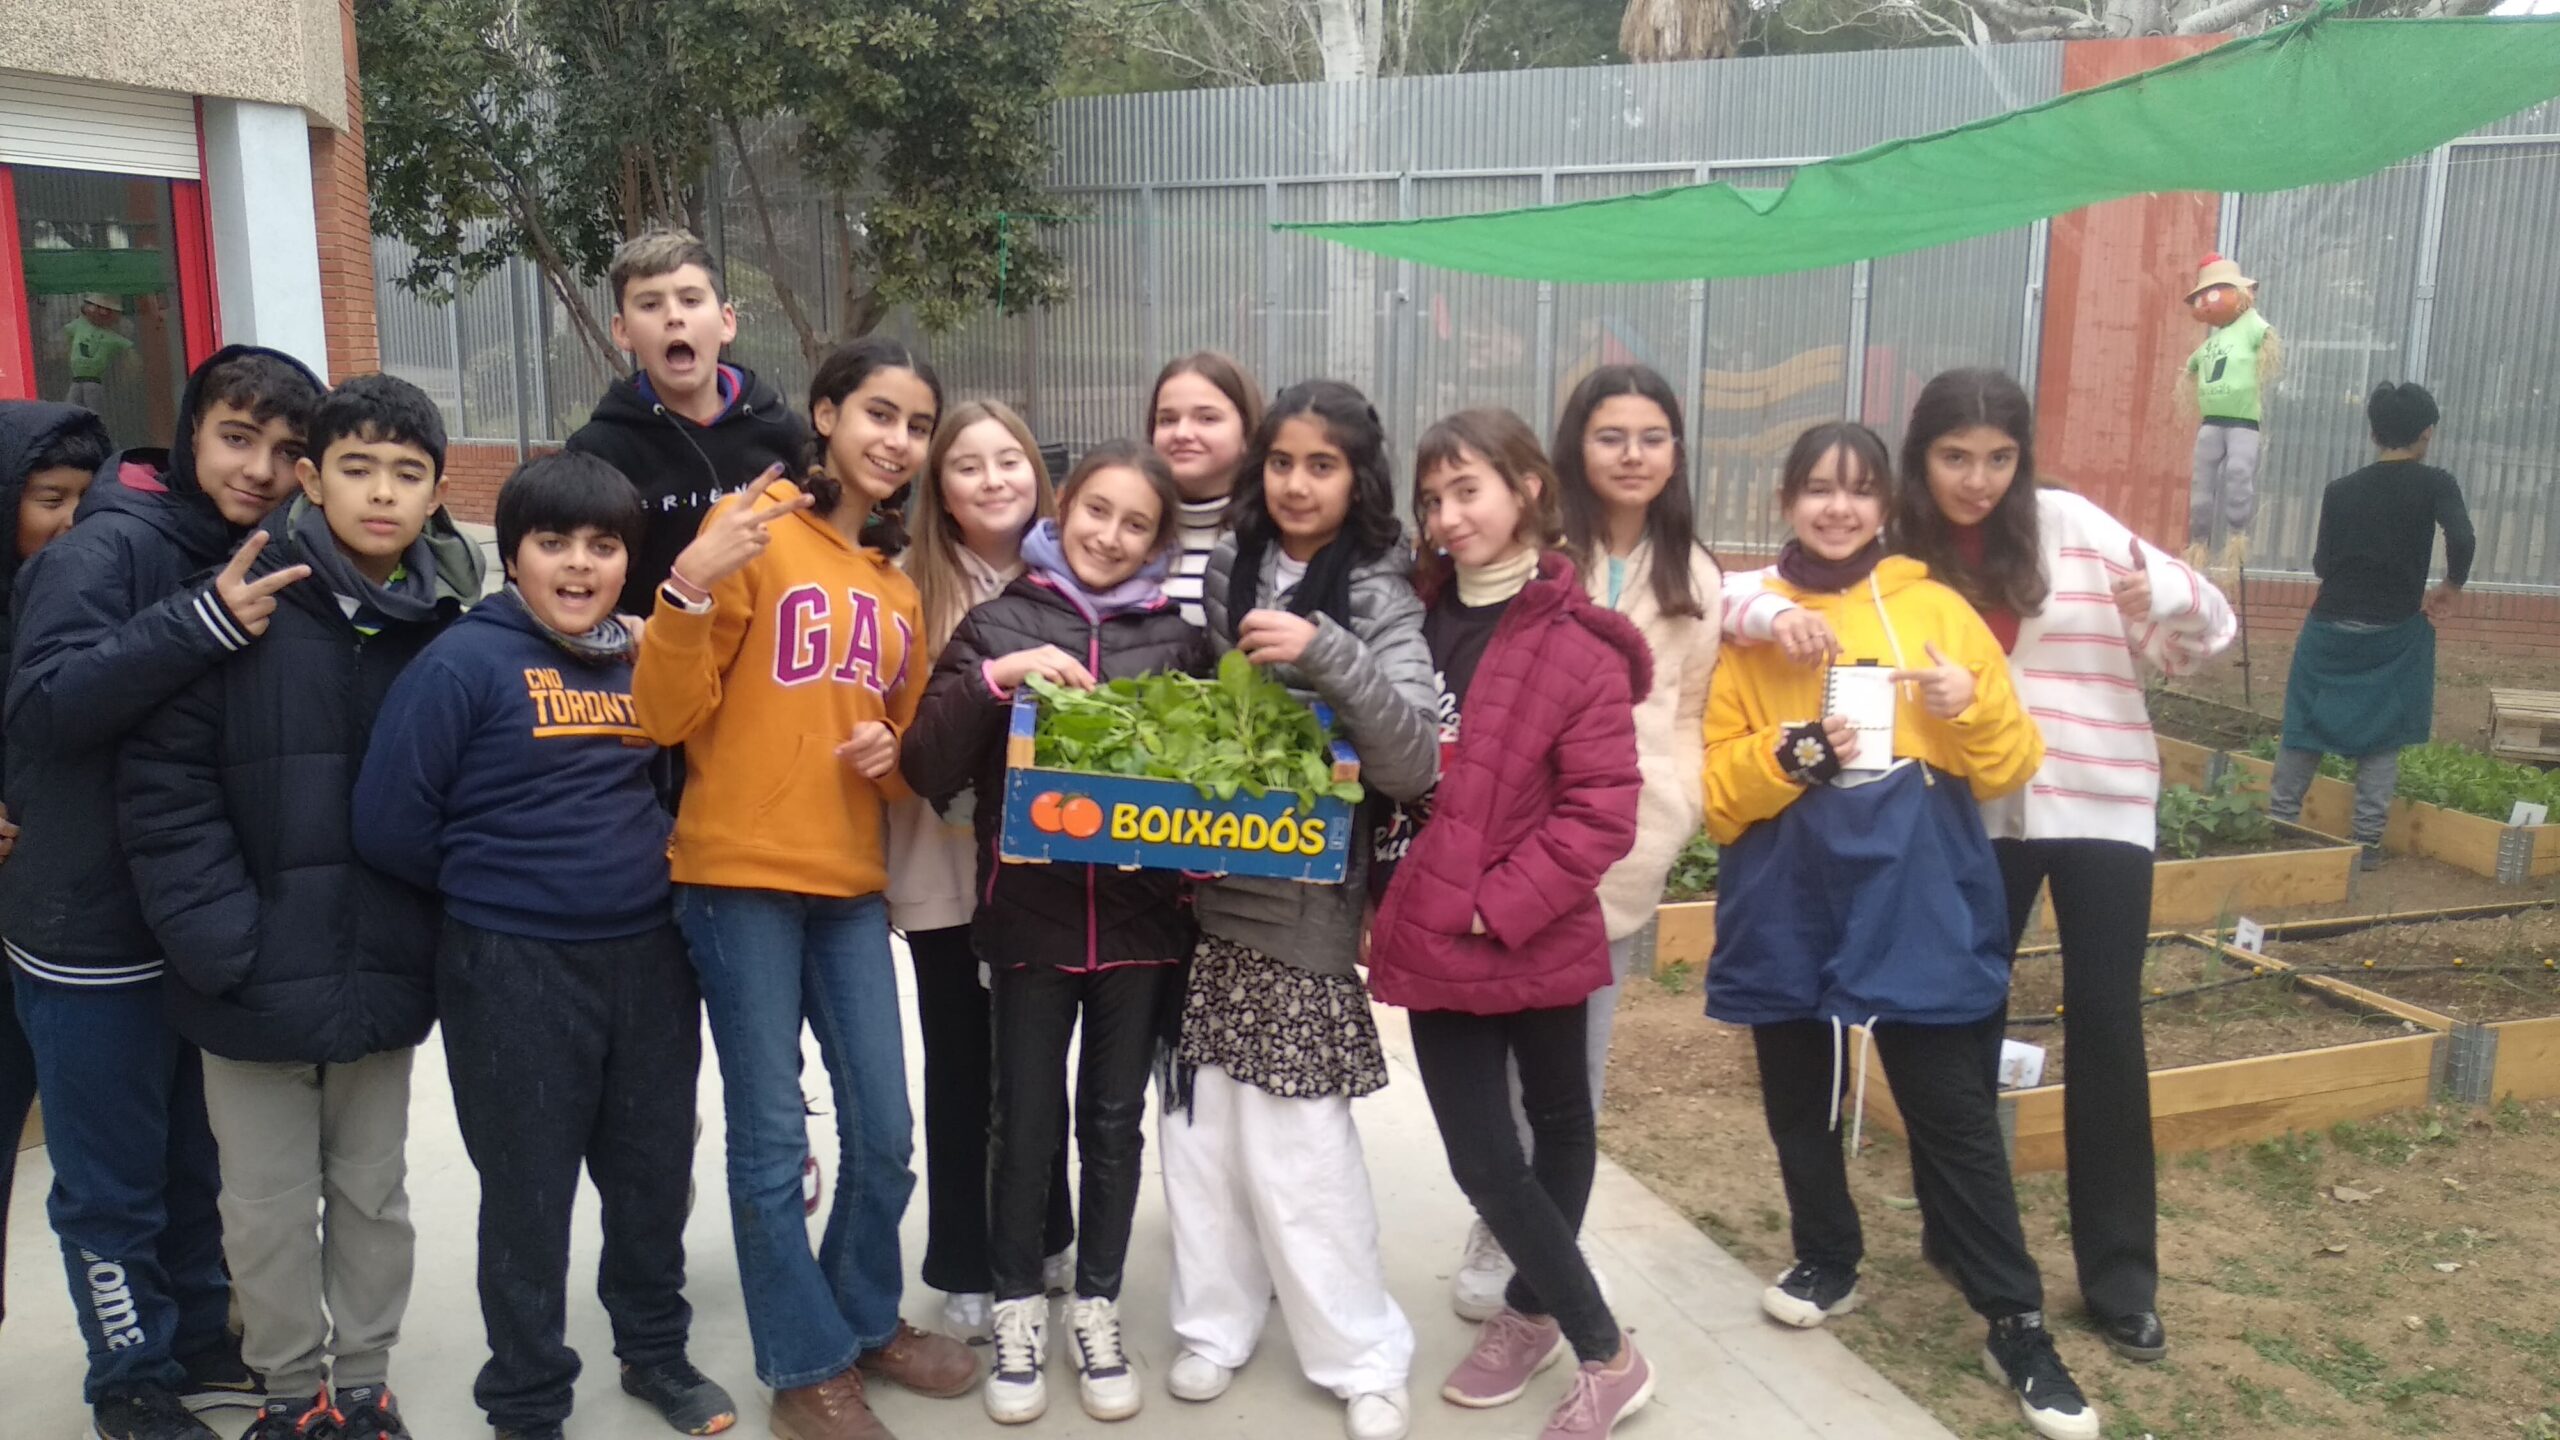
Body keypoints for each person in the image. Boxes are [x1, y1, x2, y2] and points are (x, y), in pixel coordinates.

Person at [1730, 369, 2235, 1363]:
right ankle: (1960, 1240)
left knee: (2106, 1024)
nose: (1978, 479)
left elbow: (2196, 638)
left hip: (2098, 802)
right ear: (1918, 460)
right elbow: (1748, 587)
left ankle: (2120, 1276)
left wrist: (2168, 592)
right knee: (1955, 1031)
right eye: (1954, 457)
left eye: (1999, 458)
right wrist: (1761, 619)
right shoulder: (1894, 551)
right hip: (1973, 820)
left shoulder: (2069, 526)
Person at [1707, 422, 2099, 1440]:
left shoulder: (1937, 611)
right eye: (1817, 489)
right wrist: (1793, 754)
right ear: (1787, 501)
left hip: (1915, 880)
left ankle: (2013, 1320)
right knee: (1799, 1091)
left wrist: (1968, 706)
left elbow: (2011, 765)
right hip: (1789, 882)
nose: (1837, 509)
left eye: (1858, 490)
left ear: (1886, 505)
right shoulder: (1753, 625)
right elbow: (1718, 793)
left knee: (1949, 1107)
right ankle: (1826, 1256)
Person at [116, 373, 484, 1440]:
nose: (382, 493)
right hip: (246, 973)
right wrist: (222, 941)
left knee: (373, 1190)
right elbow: (165, 788)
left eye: (407, 474)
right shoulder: (238, 607)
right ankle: (287, 1389)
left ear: (436, 494)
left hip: (381, 967)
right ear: (312, 480)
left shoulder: (441, 629)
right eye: (357, 468)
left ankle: (361, 1381)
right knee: (265, 1207)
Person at [352, 451, 739, 1440]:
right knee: (528, 1196)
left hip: (648, 960)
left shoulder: (642, 658)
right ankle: (525, 1399)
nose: (578, 564)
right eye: (553, 542)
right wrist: (503, 888)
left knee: (652, 1178)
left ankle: (654, 1352)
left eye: (603, 545)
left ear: (629, 560)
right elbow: (390, 824)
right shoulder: (462, 664)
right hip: (511, 969)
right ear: (514, 556)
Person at [635, 336, 974, 1440]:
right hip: (735, 880)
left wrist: (894, 751)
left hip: (847, 885)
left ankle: (863, 1320)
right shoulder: (753, 533)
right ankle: (802, 1369)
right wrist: (688, 582)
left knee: (885, 1130)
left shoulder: (894, 585)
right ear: (825, 415)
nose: (898, 440)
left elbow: (907, 745)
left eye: (917, 425)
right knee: (774, 1139)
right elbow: (663, 717)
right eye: (879, 413)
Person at [3, 345, 320, 1440]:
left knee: (196, 1157)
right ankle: (128, 1376)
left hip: (192, 921)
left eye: (285, 450)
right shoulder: (109, 546)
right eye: (237, 438)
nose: (259, 469)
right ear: (190, 432)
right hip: (86, 929)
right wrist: (201, 623)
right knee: (109, 1181)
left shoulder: (252, 544)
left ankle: (194, 1337)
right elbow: (43, 707)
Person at [903, 441, 1210, 1426]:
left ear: (1158, 543)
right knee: (1023, 1123)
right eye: (1098, 512)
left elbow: (1213, 789)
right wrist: (995, 677)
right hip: (1027, 923)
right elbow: (924, 764)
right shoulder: (1000, 621)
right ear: (1065, 505)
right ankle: (1017, 1310)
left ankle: (1099, 1308)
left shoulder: (1181, 643)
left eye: (1136, 525)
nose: (1110, 536)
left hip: (1141, 928)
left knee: (1112, 1126)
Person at [1367, 409, 1652, 1440]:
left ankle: (1556, 1325)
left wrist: (1498, 907)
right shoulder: (1409, 622)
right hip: (1429, 925)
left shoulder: (1580, 648)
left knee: (1561, 1125)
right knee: (1484, 1156)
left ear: (1528, 488)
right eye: (1432, 500)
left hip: (1531, 926)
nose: (1447, 517)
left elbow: (1601, 810)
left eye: (1467, 491)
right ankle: (1599, 1342)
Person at [1164, 379, 1434, 1440]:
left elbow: (1412, 758)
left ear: (1358, 477)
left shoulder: (1377, 587)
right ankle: (1215, 1323)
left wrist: (1325, 652)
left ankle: (1361, 1353)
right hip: (1201, 896)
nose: (1296, 484)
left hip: (1304, 904)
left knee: (1300, 1148)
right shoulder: (1226, 566)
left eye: (1322, 465)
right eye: (1281, 462)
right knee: (1199, 1134)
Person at [1442, 363, 1724, 1320]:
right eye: (1611, 436)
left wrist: (1678, 804)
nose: (1633, 455)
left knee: (1570, 1077)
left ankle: (1536, 1250)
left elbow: (1688, 710)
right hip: (1516, 842)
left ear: (1676, 452)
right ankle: (1501, 1218)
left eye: (1652, 437)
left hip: (1619, 857)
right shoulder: (1536, 551)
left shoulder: (1696, 576)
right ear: (1572, 447)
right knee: (1496, 1062)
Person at [883, 400, 1075, 1341]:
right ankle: (964, 1258)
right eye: (967, 465)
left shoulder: (1075, 579)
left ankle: (1048, 1235)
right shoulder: (904, 586)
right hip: (943, 864)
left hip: (1046, 872)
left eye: (1010, 459)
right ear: (940, 491)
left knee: (1038, 1067)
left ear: (1038, 472)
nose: (994, 479)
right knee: (962, 1066)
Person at [0, 400, 108, 1332]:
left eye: (85, 497)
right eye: (48, 499)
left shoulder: (96, 601)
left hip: (68, 921)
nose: (71, 520)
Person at [2267, 381, 2473, 864]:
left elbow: (2322, 564)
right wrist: (2451, 586)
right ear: (2426, 433)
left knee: (2305, 725)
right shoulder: (2436, 484)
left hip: (2329, 629)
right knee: (2383, 736)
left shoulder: (2339, 491)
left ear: (2373, 434)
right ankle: (2365, 844)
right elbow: (2462, 537)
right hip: (2394, 634)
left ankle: (2278, 823)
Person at [566, 228, 807, 610]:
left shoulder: (786, 432)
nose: (674, 317)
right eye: (650, 305)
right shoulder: (595, 452)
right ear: (622, 331)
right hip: (651, 645)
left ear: (727, 322)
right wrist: (616, 627)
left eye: (691, 300)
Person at [1147, 353, 1263, 629]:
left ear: (1247, 432)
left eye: (1207, 418)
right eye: (1167, 420)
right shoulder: (1126, 530)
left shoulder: (1273, 536)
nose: (1182, 433)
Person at [62, 295, 136, 413]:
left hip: (93, 380)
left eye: (107, 310)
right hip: (77, 379)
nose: (102, 312)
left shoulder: (111, 336)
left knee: (91, 410)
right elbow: (66, 334)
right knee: (71, 408)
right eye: (98, 307)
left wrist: (129, 369)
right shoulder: (80, 324)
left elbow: (128, 347)